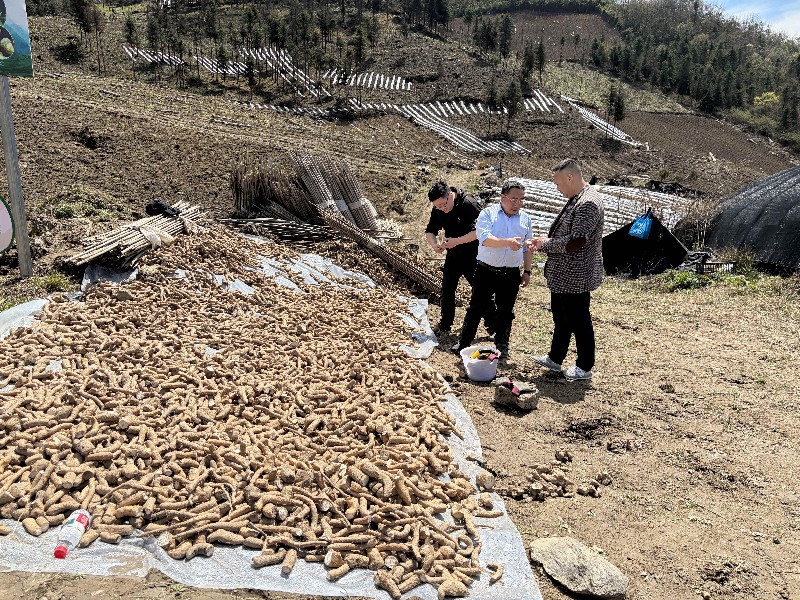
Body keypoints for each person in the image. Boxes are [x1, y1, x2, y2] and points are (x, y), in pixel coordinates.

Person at [529, 159, 604, 381]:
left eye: (557, 182)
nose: (557, 187)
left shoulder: (588, 203)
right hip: (564, 275)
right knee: (562, 318)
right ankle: (555, 358)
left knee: (579, 320)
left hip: (576, 275)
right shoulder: (578, 197)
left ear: (570, 178)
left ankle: (584, 366)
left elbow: (576, 242)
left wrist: (545, 244)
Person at [455, 178, 533, 357]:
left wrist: (527, 271)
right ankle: (464, 343)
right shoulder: (488, 214)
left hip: (511, 273)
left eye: (521, 200)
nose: (518, 204)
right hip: (486, 270)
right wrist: (507, 242)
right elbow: (485, 238)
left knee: (506, 311)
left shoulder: (525, 219)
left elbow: (527, 248)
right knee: (475, 308)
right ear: (502, 197)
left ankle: (502, 344)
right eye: (514, 199)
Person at [424, 181, 495, 336]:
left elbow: (481, 231)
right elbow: (430, 230)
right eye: (438, 206)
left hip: (474, 255)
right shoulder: (438, 208)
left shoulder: (469, 204)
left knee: (480, 291)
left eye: (443, 205)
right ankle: (445, 324)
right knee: (447, 290)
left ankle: (494, 324)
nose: (441, 209)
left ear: (450, 195)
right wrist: (435, 245)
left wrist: (456, 241)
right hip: (453, 255)